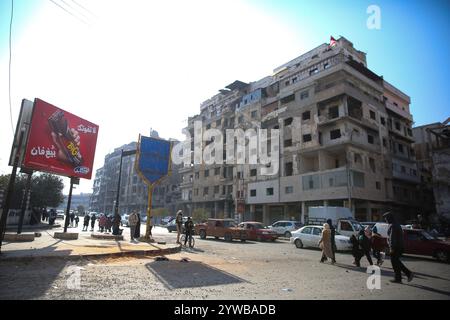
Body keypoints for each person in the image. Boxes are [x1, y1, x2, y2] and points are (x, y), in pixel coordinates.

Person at [383, 211, 413, 283]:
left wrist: (392, 248)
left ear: (389, 218)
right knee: (396, 262)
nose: (385, 220)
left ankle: (405, 275)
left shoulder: (393, 225)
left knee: (395, 263)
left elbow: (393, 237)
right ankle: (402, 276)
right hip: (399, 246)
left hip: (396, 247)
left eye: (386, 218)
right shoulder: (395, 224)